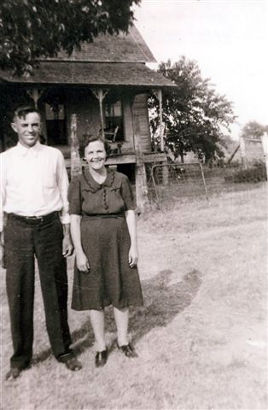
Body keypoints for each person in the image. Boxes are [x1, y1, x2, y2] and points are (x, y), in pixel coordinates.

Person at [0, 106, 82, 380]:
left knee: (55, 289)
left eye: (35, 124)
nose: (31, 130)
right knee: (18, 292)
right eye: (25, 125)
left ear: (40, 126)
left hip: (50, 227)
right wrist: (2, 237)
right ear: (15, 127)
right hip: (17, 228)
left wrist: (68, 232)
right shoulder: (5, 160)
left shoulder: (54, 156)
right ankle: (21, 357)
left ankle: (63, 350)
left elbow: (65, 195)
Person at [68, 135, 143, 368]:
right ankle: (101, 346)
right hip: (90, 245)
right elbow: (74, 219)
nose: (95, 156)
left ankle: (122, 340)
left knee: (121, 291)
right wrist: (79, 252)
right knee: (95, 296)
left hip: (119, 241)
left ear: (106, 155)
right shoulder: (78, 182)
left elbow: (130, 212)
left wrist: (134, 244)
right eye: (90, 153)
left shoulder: (120, 179)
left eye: (99, 152)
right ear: (84, 157)